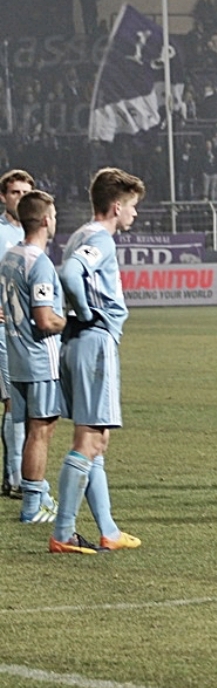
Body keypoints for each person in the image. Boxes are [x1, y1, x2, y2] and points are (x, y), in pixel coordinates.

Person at [50, 167, 147, 555]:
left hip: (75, 343)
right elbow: (71, 273)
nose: (135, 215)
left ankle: (107, 530)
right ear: (116, 205)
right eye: (133, 207)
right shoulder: (100, 239)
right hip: (93, 340)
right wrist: (90, 314)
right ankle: (63, 533)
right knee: (88, 440)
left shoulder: (78, 234)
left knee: (97, 439)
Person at [0, 190, 65, 529]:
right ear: (43, 220)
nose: (54, 221)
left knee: (29, 431)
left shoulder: (10, 256)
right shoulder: (38, 263)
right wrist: (70, 320)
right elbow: (44, 319)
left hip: (16, 355)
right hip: (40, 358)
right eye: (52, 215)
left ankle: (37, 496)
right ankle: (32, 505)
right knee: (41, 431)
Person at [0, 171, 31, 499]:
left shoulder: (32, 232)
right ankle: (15, 478)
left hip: (26, 331)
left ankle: (15, 475)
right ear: (3, 197)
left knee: (20, 401)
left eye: (25, 192)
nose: (19, 197)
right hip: (3, 330)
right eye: (14, 192)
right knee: (14, 401)